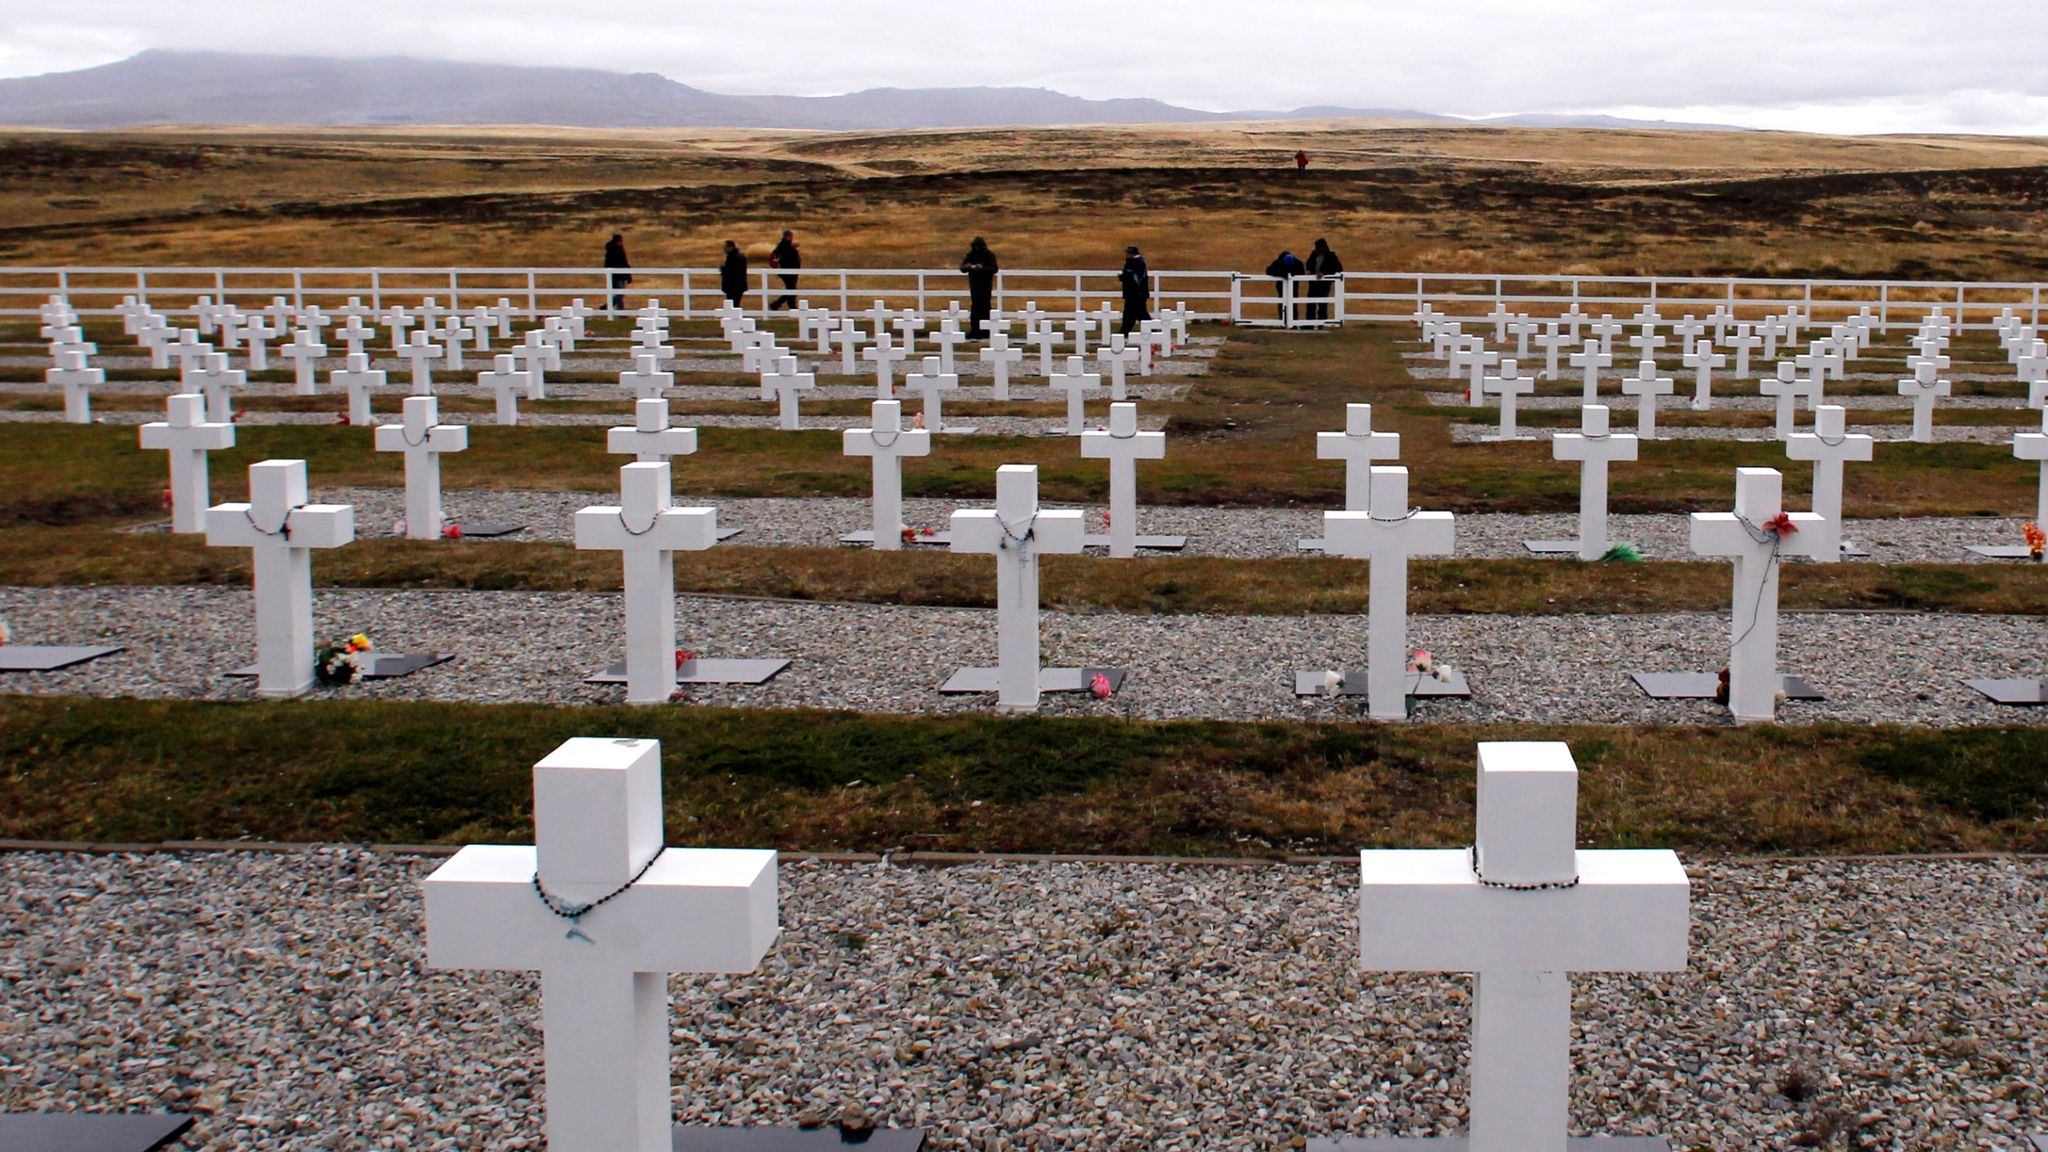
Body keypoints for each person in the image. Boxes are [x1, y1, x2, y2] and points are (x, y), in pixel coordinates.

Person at [960, 237, 998, 339]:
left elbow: (994, 269)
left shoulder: (989, 255)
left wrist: (983, 268)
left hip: (985, 286)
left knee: (985, 308)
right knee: (975, 309)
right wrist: (967, 266)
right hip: (974, 286)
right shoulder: (970, 255)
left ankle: (985, 331)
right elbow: (962, 268)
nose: (976, 249)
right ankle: (975, 331)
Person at [1304, 237, 1343, 323]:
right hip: (1313, 284)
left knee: (1322, 304)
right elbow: (1308, 263)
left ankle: (1321, 323)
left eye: (1318, 247)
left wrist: (1324, 273)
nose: (1316, 249)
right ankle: (1309, 324)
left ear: (1323, 247)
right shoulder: (1314, 254)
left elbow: (1338, 269)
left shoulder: (1331, 256)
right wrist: (1308, 270)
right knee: (1310, 304)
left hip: (1324, 285)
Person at [1117, 245, 1152, 336]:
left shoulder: (1137, 262)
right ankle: (1124, 333)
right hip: (1133, 294)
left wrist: (1123, 277)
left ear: (1131, 254)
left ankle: (1123, 333)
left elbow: (1135, 278)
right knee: (1135, 314)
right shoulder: (1132, 262)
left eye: (1127, 253)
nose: (1126, 255)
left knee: (1137, 314)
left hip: (1136, 294)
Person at [1265, 249, 1305, 327]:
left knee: (1293, 304)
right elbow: (1269, 270)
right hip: (1281, 287)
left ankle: (1294, 323)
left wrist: (1292, 274)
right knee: (1282, 304)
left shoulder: (1298, 263)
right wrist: (1282, 274)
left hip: (1294, 287)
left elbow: (1302, 272)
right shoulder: (1278, 262)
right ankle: (1282, 322)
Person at [768, 229, 801, 311]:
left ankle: (791, 306)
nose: (792, 238)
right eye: (791, 236)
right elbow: (776, 256)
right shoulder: (783, 246)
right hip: (787, 271)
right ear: (788, 236)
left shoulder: (786, 245)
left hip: (792, 271)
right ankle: (776, 304)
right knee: (791, 289)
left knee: (791, 289)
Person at [603, 233, 631, 313]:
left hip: (618, 275)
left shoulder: (616, 250)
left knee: (620, 293)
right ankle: (620, 311)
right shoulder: (616, 251)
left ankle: (607, 306)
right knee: (620, 294)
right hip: (618, 276)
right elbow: (623, 263)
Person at [719, 239, 748, 308]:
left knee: (732, 306)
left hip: (732, 286)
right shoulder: (742, 256)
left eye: (725, 247)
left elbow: (730, 272)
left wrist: (723, 269)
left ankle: (733, 318)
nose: (724, 249)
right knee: (736, 304)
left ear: (730, 247)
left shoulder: (732, 258)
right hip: (740, 286)